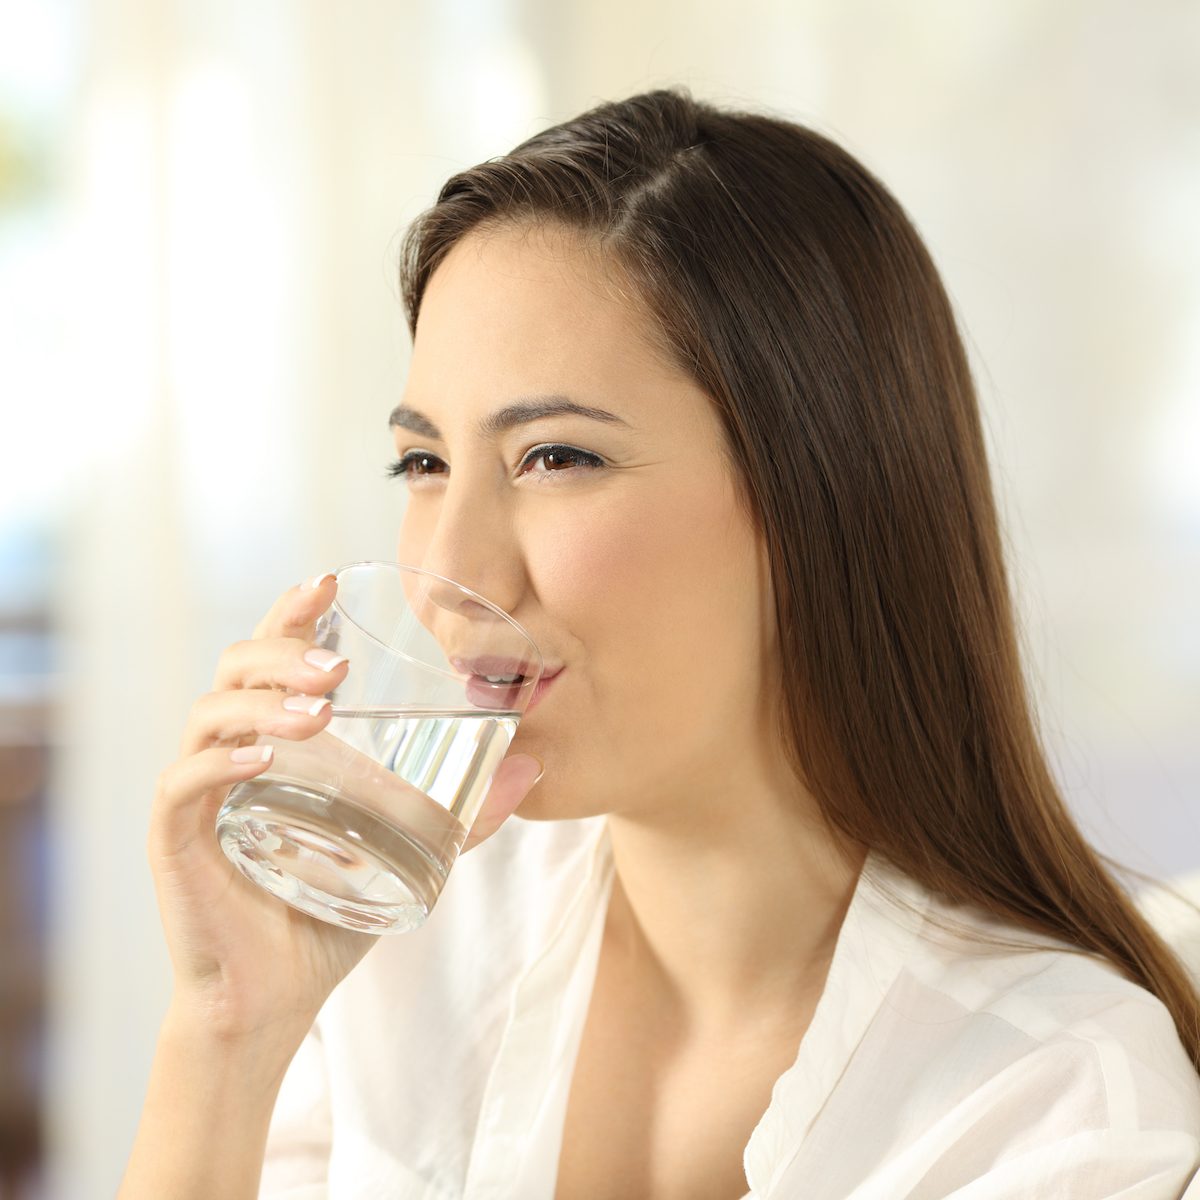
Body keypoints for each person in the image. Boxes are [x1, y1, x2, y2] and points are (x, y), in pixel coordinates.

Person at [119, 86, 1200, 1199]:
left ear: (818, 499)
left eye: (555, 458)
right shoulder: (413, 937)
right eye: (424, 463)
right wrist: (228, 1029)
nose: (453, 582)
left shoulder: (1047, 1099)